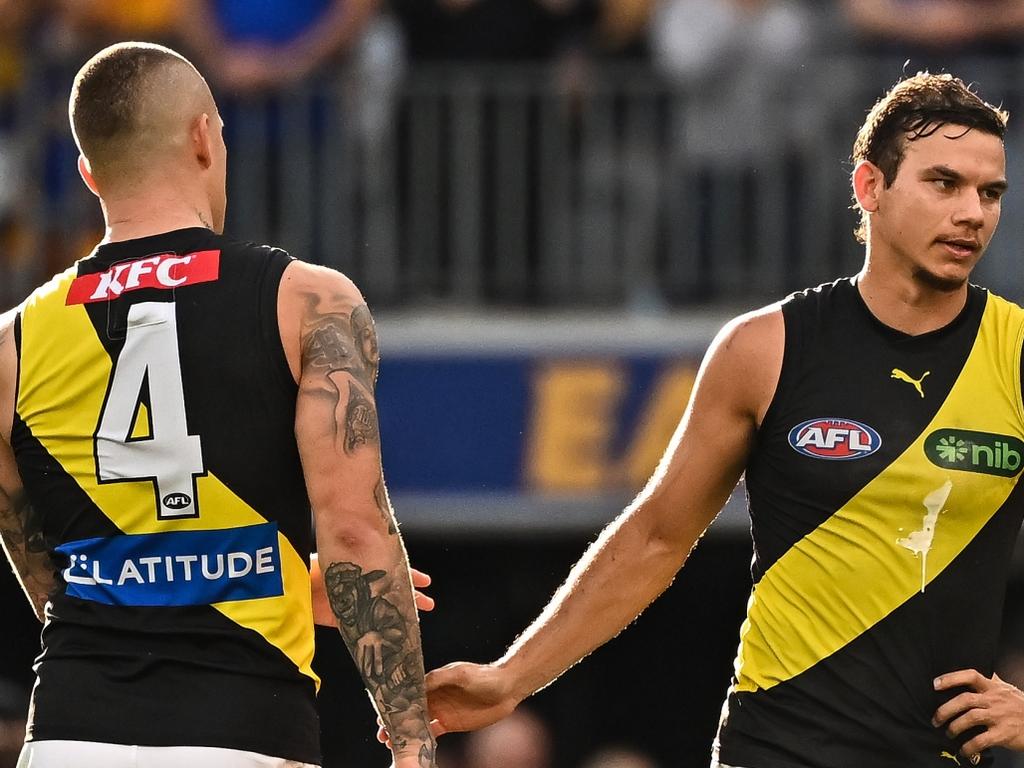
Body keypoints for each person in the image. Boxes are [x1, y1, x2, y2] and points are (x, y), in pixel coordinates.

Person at [407, 72, 1024, 766]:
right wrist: (509, 679)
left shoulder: (1017, 355)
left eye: (990, 192)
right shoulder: (763, 348)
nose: (973, 211)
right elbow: (653, 538)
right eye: (945, 184)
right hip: (777, 749)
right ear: (869, 188)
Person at [0, 42, 436, 768]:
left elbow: (43, 566)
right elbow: (356, 532)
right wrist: (413, 743)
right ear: (204, 136)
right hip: (246, 730)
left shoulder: (12, 344)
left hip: (71, 735)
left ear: (89, 172)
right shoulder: (310, 302)